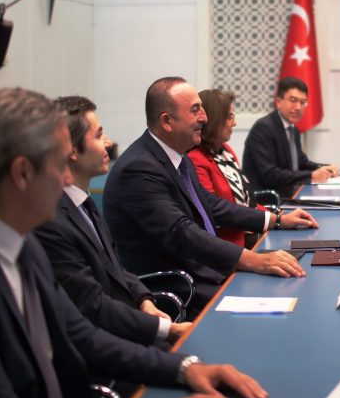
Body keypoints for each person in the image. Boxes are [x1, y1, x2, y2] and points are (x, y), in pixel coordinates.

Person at [0, 87, 268, 398]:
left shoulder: (25, 247)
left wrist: (185, 368)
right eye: (59, 165)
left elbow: (81, 336)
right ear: (23, 173)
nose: (66, 180)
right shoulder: (40, 235)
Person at [104, 77, 317, 316]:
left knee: (294, 287)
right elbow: (181, 232)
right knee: (278, 304)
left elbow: (212, 206)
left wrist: (276, 220)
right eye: (195, 110)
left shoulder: (179, 158)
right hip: (179, 284)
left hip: (204, 270)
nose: (204, 118)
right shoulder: (138, 169)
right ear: (167, 121)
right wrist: (253, 260)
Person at [34, 96, 190, 349]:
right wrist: (167, 330)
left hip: (129, 326)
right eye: (99, 135)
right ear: (71, 150)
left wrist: (143, 300)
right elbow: (92, 305)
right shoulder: (52, 222)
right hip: (107, 344)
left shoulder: (83, 204)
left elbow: (115, 266)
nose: (108, 143)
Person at [242, 77, 339, 197]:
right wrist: (311, 176)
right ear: (278, 102)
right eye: (293, 100)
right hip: (268, 200)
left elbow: (301, 163)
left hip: (290, 195)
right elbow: (270, 174)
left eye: (303, 102)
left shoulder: (293, 129)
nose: (298, 107)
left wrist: (325, 168)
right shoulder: (263, 128)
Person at [188, 89, 261, 247]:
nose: (234, 123)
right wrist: (273, 220)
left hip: (252, 235)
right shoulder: (196, 158)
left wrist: (279, 218)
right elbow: (213, 212)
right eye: (229, 117)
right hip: (228, 248)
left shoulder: (225, 150)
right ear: (214, 120)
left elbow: (247, 203)